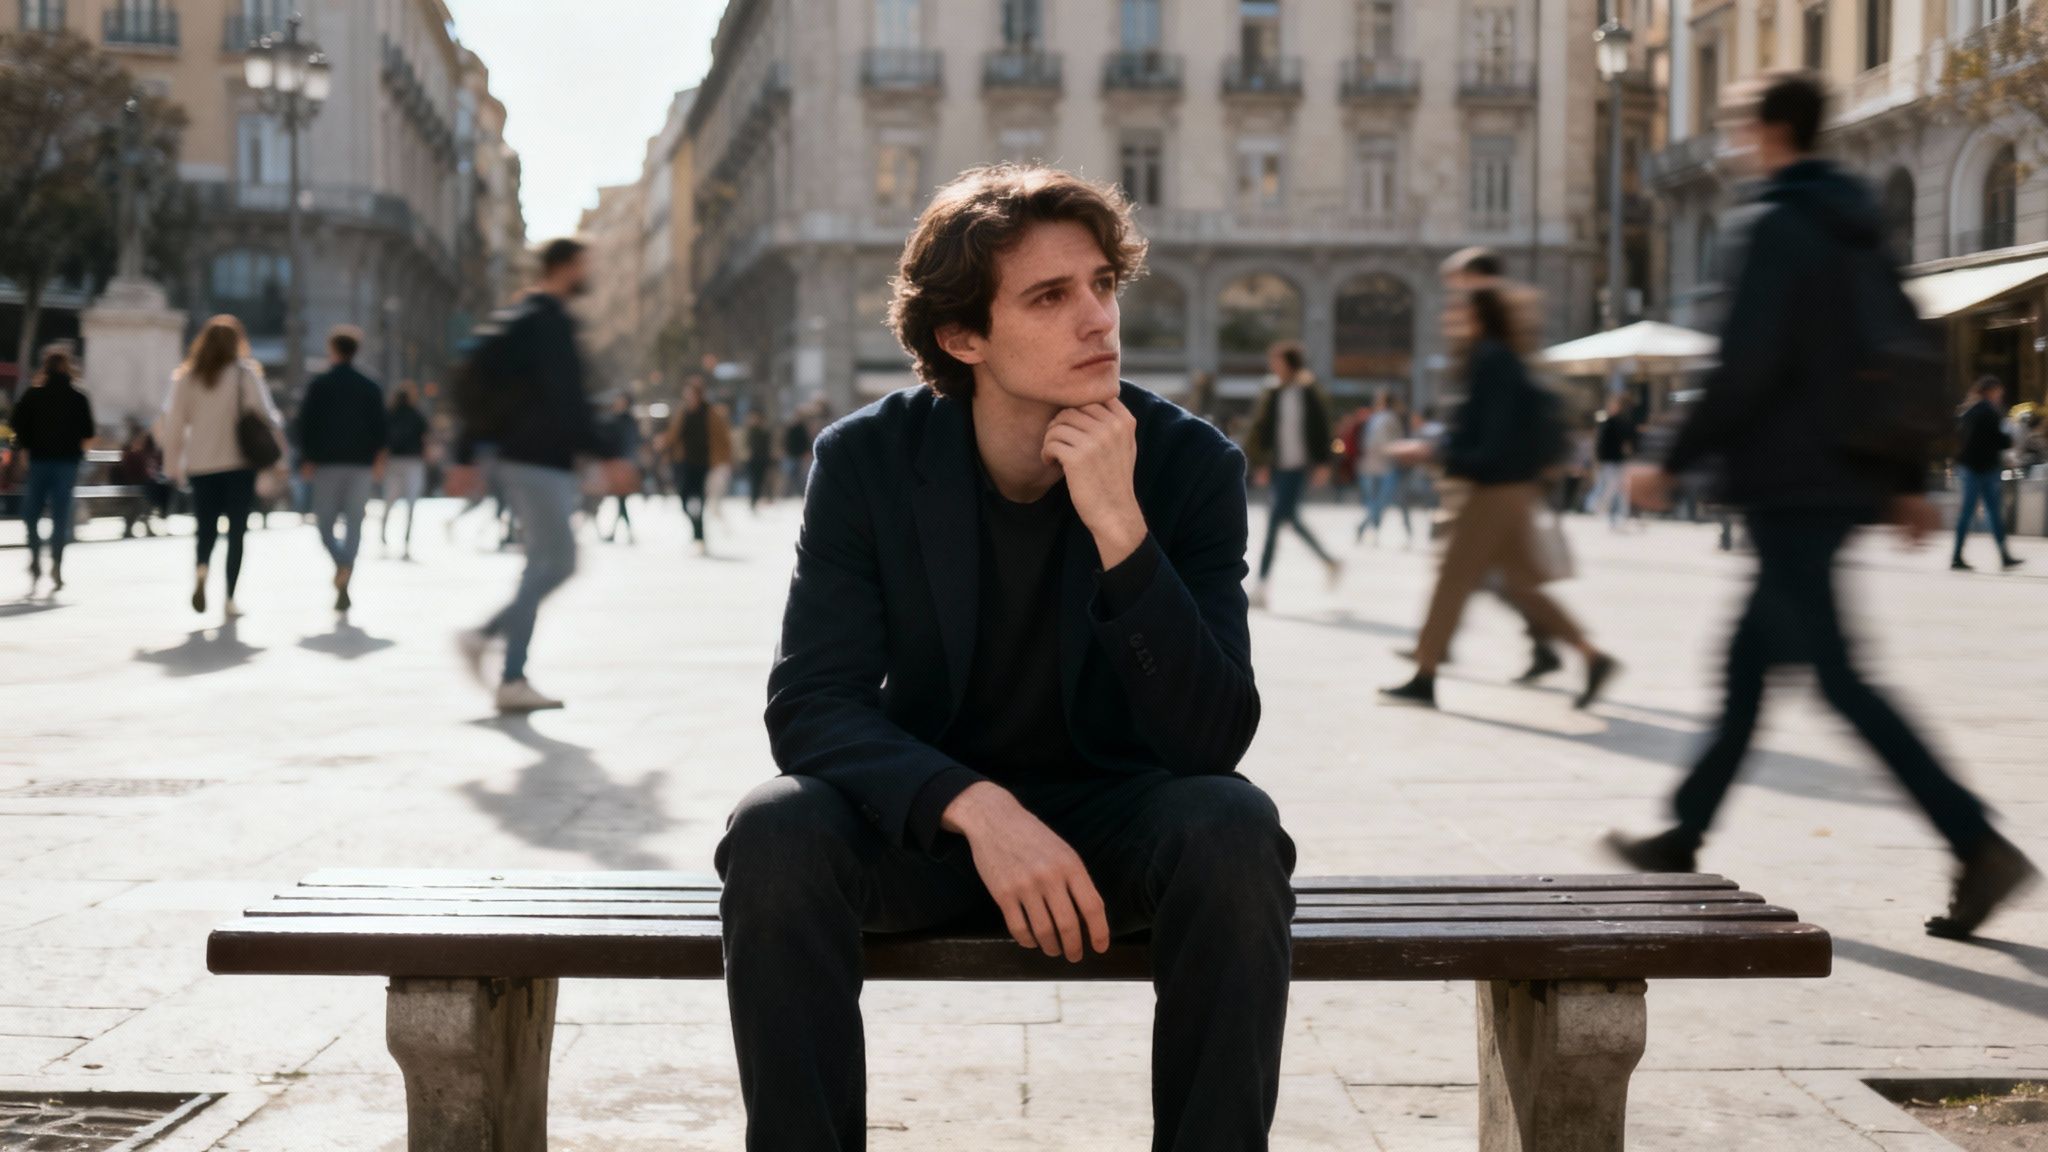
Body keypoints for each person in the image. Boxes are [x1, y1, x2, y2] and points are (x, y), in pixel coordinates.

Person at [718, 164, 1291, 1150]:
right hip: (930, 827)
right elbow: (811, 704)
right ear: (961, 336)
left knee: (1233, 828)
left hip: (1116, 823)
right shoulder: (865, 461)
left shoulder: (1188, 464)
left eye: (1102, 285)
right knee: (775, 830)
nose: (1096, 319)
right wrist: (975, 808)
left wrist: (1118, 523)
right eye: (1049, 296)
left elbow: (1210, 737)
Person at [1609, 72, 2035, 940]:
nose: (1729, 136)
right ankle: (1684, 833)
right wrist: (1906, 476)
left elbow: (1747, 364)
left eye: (1737, 121)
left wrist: (1669, 458)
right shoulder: (1853, 219)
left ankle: (1977, 843)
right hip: (1832, 480)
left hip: (1790, 481)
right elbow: (1901, 342)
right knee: (1746, 672)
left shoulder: (1772, 223)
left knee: (1840, 681)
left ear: (1769, 129)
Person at [1380, 287, 1618, 710]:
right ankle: (1592, 656)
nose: (1450, 318)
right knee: (1522, 587)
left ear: (1477, 317)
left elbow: (1490, 437)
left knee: (1452, 578)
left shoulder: (1490, 360)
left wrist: (1435, 452)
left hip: (1492, 489)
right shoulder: (1502, 358)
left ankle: (1425, 673)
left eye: (1458, 311)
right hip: (1510, 488)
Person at [451, 238, 630, 713]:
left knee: (545, 563)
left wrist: (468, 451)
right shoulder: (545, 322)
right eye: (584, 264)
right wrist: (607, 452)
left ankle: (499, 656)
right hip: (538, 459)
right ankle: (501, 659)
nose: (589, 271)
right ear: (565, 267)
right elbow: (568, 399)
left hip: (529, 457)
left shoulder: (530, 319)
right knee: (556, 563)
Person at [157, 315, 286, 618]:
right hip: (240, 464)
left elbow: (174, 426)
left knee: (205, 528)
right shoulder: (245, 375)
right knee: (237, 532)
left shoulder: (187, 378)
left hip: (201, 465)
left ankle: (202, 568)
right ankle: (229, 598)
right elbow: (268, 417)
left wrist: (172, 466)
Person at [296, 326, 388, 612]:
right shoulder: (370, 385)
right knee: (354, 522)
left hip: (326, 464)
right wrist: (379, 461)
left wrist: (307, 459)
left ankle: (340, 563)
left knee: (323, 523)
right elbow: (382, 429)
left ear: (333, 349)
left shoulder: (320, 384)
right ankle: (347, 565)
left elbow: (305, 425)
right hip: (360, 465)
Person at [1245, 341, 1342, 608]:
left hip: (1298, 466)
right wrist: (1262, 463)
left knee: (1277, 521)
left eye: (1277, 361)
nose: (1272, 366)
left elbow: (1322, 427)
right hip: (1278, 465)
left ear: (1290, 363)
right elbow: (1264, 430)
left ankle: (1262, 585)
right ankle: (1330, 562)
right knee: (1289, 518)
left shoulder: (1308, 391)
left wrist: (1323, 463)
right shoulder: (1274, 392)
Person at [10, 349, 96, 592]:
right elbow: (89, 433)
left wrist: (26, 450)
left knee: (31, 514)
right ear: (67, 368)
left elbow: (17, 426)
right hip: (67, 464)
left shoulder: (32, 395)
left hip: (38, 462)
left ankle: (35, 557)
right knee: (60, 516)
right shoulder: (78, 397)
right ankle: (57, 562)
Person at [1951, 376, 2021, 572]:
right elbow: (1996, 440)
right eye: (1998, 392)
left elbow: (1962, 439)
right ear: (1990, 391)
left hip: (1971, 468)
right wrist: (2008, 439)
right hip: (1984, 470)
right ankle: (2004, 556)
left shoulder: (1968, 410)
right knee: (1993, 514)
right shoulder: (1988, 412)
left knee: (1967, 513)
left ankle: (1958, 556)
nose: (2000, 395)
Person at [662, 377, 728, 554]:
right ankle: (697, 532)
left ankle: (699, 537)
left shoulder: (710, 413)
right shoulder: (683, 412)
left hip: (704, 463)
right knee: (684, 499)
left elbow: (722, 438)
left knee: (699, 500)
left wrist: (724, 460)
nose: (688, 396)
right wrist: (664, 443)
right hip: (684, 462)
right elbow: (674, 434)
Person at [1356, 390, 1413, 545]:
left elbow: (1372, 442)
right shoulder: (1382, 418)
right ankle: (1367, 529)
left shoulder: (1380, 418)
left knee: (1380, 501)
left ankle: (1366, 528)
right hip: (1381, 465)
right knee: (1381, 501)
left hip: (1381, 465)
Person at [379, 383, 430, 559]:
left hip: (394, 461)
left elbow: (382, 440)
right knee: (410, 504)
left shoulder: (389, 415)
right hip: (413, 462)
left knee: (389, 501)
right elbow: (425, 440)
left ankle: (383, 535)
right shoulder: (417, 415)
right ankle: (405, 541)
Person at [1584, 394, 1637, 528]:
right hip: (1609, 460)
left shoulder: (1622, 422)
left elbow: (1628, 441)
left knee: (1619, 488)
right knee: (1610, 487)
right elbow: (1601, 444)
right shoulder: (1607, 423)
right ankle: (1600, 510)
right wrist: (1599, 459)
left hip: (1618, 460)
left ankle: (1619, 515)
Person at [599, 394, 640, 544]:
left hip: (622, 464)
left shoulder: (625, 421)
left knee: (621, 499)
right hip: (619, 463)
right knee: (620, 500)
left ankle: (617, 533)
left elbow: (627, 443)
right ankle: (620, 532)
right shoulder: (618, 420)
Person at [781, 404, 815, 499]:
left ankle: (799, 493)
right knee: (790, 475)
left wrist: (806, 452)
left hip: (799, 454)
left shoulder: (803, 428)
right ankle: (787, 494)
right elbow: (786, 440)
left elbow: (806, 441)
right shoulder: (791, 427)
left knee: (798, 476)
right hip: (791, 454)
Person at [743, 409, 774, 513]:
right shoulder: (750, 431)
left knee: (759, 482)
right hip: (752, 460)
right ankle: (753, 501)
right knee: (754, 482)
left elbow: (768, 446)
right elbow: (746, 445)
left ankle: (756, 500)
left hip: (762, 460)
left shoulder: (765, 431)